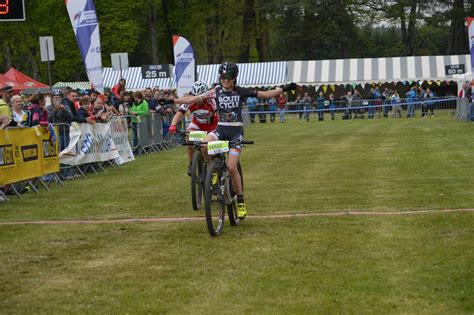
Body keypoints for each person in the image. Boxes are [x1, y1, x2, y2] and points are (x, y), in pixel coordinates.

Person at [159, 62, 297, 219]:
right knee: (203, 145)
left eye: (229, 78)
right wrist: (171, 101)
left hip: (235, 133)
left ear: (234, 78)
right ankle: (213, 170)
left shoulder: (241, 91)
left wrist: (284, 89)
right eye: (223, 77)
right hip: (220, 129)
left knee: (232, 167)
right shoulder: (215, 91)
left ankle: (240, 201)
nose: (226, 81)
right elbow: (193, 98)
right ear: (220, 78)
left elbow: (266, 94)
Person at [168, 81, 218, 176]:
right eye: (195, 95)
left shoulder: (212, 102)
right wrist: (173, 125)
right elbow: (179, 113)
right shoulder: (190, 101)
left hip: (212, 126)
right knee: (189, 138)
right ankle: (191, 163)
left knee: (209, 147)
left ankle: (212, 162)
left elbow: (219, 114)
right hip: (197, 125)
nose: (198, 99)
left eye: (200, 96)